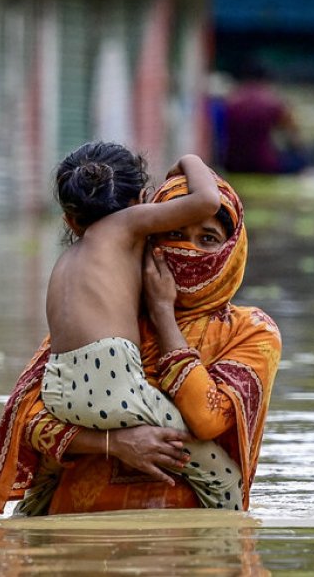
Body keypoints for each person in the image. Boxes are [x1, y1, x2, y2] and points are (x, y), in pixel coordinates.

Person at [0, 164, 281, 516]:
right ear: (150, 237)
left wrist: (163, 315)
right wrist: (112, 443)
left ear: (231, 249)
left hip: (187, 548)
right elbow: (29, 420)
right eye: (173, 235)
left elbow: (208, 420)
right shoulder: (109, 318)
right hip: (75, 539)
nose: (186, 250)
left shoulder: (251, 330)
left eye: (207, 239)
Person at [37, 144, 241, 510]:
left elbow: (30, 417)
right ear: (143, 202)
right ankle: (233, 551)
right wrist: (189, 159)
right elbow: (207, 201)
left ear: (69, 220)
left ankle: (23, 522)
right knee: (222, 477)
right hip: (112, 386)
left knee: (42, 483)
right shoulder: (128, 223)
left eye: (205, 239)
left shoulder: (68, 259)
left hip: (57, 389)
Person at [221, 58, 308, 175]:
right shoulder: (273, 101)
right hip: (264, 164)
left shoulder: (231, 100)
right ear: (266, 79)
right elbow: (294, 137)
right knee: (303, 159)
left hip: (233, 163)